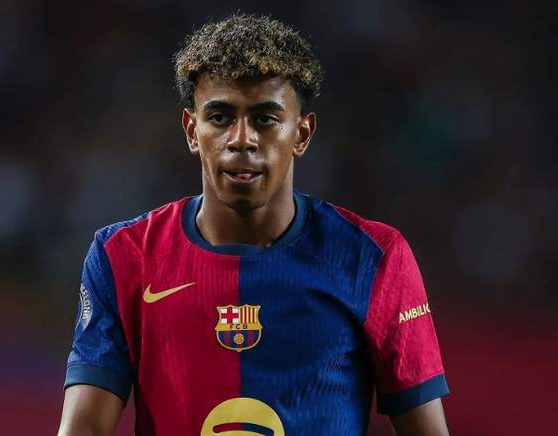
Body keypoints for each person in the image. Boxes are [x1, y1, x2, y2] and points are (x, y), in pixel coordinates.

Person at [58, 14, 450, 436]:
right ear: (191, 130)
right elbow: (84, 427)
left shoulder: (372, 257)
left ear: (302, 133)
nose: (242, 138)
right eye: (220, 117)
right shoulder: (124, 256)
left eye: (265, 118)